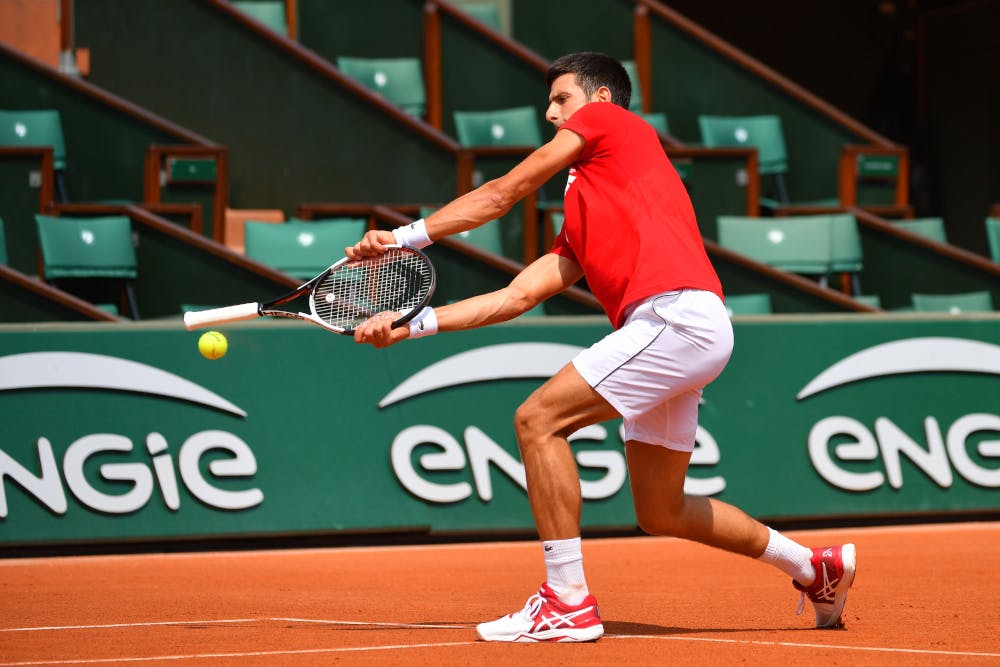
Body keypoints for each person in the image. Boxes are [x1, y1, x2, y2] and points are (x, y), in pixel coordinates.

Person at [347, 52, 856, 643]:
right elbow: (515, 296)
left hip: (674, 317)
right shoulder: (586, 210)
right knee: (660, 510)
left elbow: (503, 192)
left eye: (562, 99)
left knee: (538, 421)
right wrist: (411, 324)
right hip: (687, 327)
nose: (549, 112)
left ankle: (565, 601)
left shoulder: (613, 123)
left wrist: (404, 238)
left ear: (600, 101)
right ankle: (814, 568)